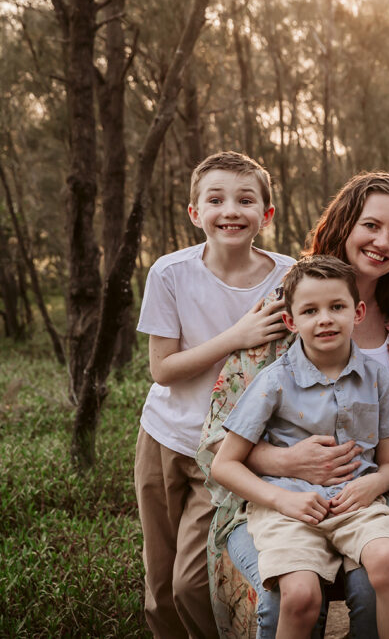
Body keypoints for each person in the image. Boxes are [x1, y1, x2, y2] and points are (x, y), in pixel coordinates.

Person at [197, 171, 389, 638]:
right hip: (277, 495)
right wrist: (289, 462)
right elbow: (219, 442)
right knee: (294, 593)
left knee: (373, 582)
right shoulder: (291, 303)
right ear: (345, 223)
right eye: (370, 225)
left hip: (370, 492)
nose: (382, 241)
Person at [135, 151, 295, 638]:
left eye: (246, 200)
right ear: (195, 212)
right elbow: (162, 370)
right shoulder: (170, 273)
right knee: (160, 583)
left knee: (192, 583)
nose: (231, 210)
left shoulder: (288, 277)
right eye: (216, 199)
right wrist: (236, 335)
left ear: (265, 215)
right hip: (162, 437)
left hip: (226, 450)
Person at [211, 256, 389, 639]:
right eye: (310, 310)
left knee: (388, 563)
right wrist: (282, 501)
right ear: (291, 321)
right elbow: (224, 465)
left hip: (355, 503)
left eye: (337, 307)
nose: (325, 319)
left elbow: (388, 465)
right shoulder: (274, 382)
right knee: (300, 596)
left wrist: (373, 485)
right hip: (289, 508)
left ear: (358, 312)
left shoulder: (379, 381)